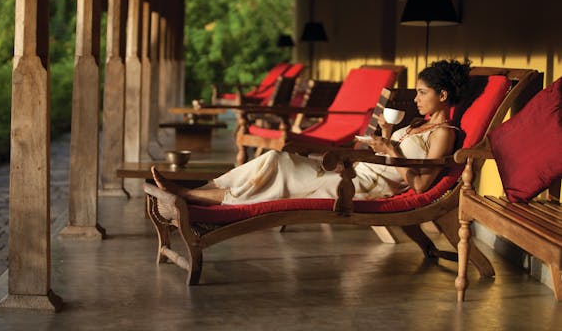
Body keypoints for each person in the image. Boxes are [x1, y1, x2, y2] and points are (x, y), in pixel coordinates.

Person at [151, 59, 472, 206]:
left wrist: (391, 151)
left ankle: (189, 196)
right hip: (355, 170)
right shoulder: (419, 124)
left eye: (422, 92)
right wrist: (385, 137)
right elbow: (394, 153)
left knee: (280, 176)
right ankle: (205, 188)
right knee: (276, 157)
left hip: (360, 188)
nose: (416, 98)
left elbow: (420, 185)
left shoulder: (443, 133)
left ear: (443, 95)